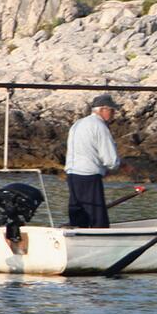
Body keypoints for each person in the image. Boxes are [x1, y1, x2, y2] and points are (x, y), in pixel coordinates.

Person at [65, 94, 123, 227]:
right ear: (103, 109)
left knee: (78, 213)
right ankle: (100, 241)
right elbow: (110, 159)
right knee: (97, 216)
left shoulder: (78, 124)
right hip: (89, 176)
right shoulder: (100, 126)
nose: (114, 114)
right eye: (112, 110)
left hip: (72, 175)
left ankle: (78, 235)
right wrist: (120, 166)